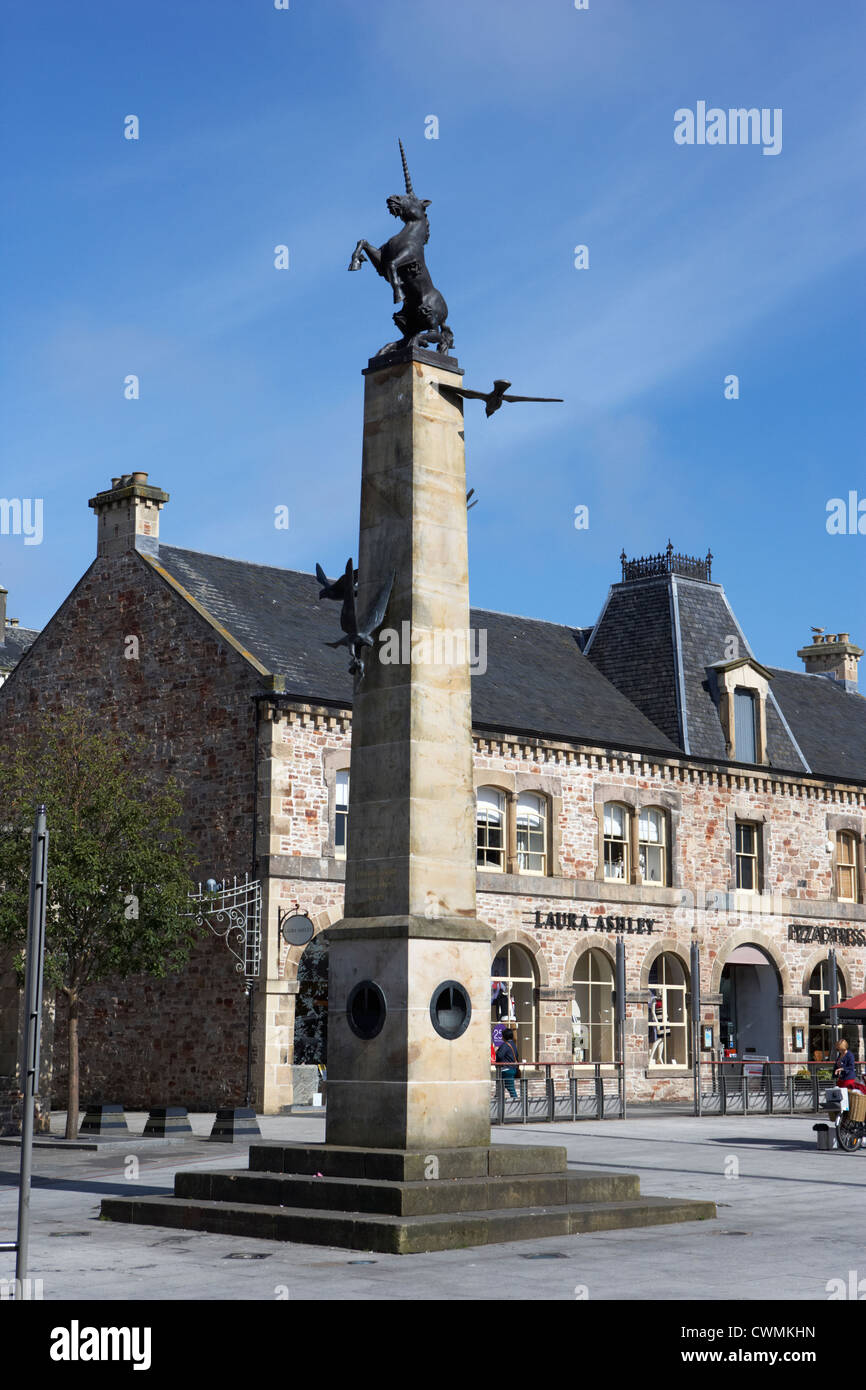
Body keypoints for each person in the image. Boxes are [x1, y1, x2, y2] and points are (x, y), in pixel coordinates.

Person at [495, 1028, 520, 1102]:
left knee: (510, 1088)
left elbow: (499, 1056)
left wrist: (497, 1051)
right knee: (501, 1087)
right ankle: (497, 1100)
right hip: (512, 1069)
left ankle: (517, 1104)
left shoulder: (505, 1045)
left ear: (504, 1036)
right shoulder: (514, 1045)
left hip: (506, 1070)